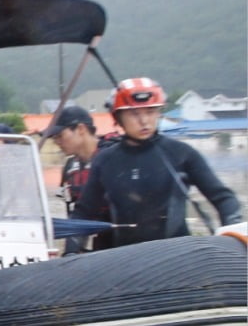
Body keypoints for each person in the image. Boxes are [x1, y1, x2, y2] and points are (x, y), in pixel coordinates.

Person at [72, 78, 241, 247]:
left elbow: (224, 198)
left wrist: (232, 236)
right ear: (118, 117)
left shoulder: (181, 153)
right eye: (134, 114)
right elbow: (84, 212)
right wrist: (71, 251)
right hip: (126, 257)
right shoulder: (105, 160)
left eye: (150, 112)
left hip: (177, 255)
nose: (144, 120)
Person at [43, 106, 115, 253]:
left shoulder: (113, 158)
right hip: (94, 247)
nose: (57, 142)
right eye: (54, 138)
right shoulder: (70, 168)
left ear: (81, 129)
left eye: (60, 136)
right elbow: (76, 214)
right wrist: (72, 251)